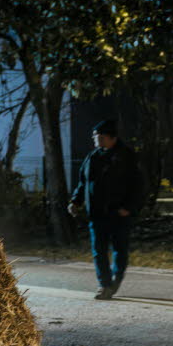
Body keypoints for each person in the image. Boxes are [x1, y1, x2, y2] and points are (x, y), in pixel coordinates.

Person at [69, 120, 143, 300]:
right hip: (96, 213)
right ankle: (104, 284)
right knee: (98, 250)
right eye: (95, 137)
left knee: (119, 249)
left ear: (112, 138)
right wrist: (76, 201)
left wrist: (128, 207)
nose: (97, 141)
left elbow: (138, 185)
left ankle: (116, 279)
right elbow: (83, 182)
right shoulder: (92, 157)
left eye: (101, 137)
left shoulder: (126, 157)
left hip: (118, 212)